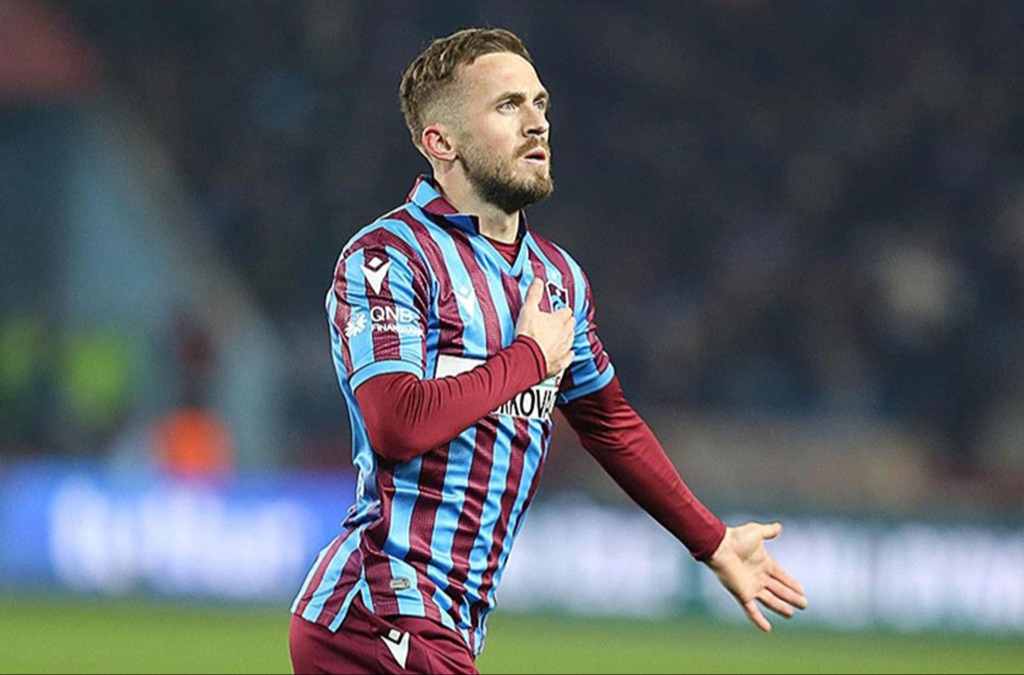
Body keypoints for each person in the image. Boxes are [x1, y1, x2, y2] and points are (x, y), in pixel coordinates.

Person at [288, 27, 807, 674]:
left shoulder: (557, 279)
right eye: (508, 105)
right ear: (441, 142)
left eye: (540, 104)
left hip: (446, 620)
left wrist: (714, 540)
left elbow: (610, 423)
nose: (536, 123)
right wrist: (529, 358)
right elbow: (397, 423)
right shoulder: (389, 257)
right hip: (377, 610)